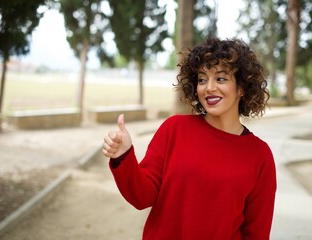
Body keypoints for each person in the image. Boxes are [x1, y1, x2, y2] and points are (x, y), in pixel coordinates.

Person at [103, 37, 277, 240]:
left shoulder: (259, 155)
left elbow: (257, 233)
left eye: (221, 79)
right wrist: (124, 156)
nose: (209, 87)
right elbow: (142, 197)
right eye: (202, 79)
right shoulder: (174, 129)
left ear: (241, 88)